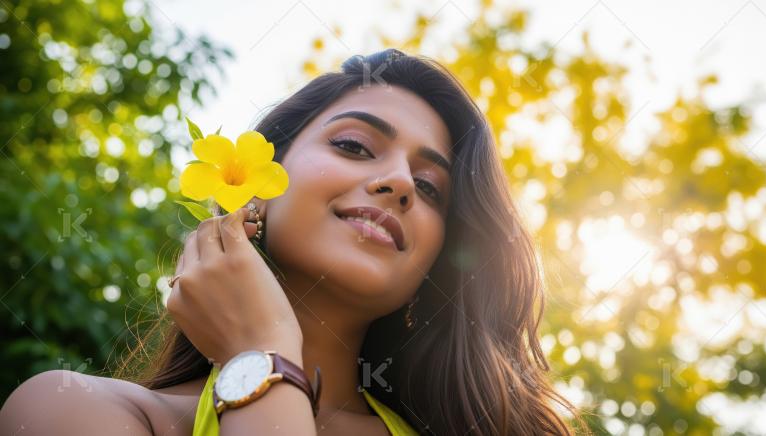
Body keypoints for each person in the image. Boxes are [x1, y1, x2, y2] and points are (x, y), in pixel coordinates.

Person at [0, 49, 583, 435]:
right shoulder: (73, 411)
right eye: (354, 146)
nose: (401, 183)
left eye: (432, 189)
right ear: (255, 189)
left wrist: (259, 358)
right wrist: (262, 354)